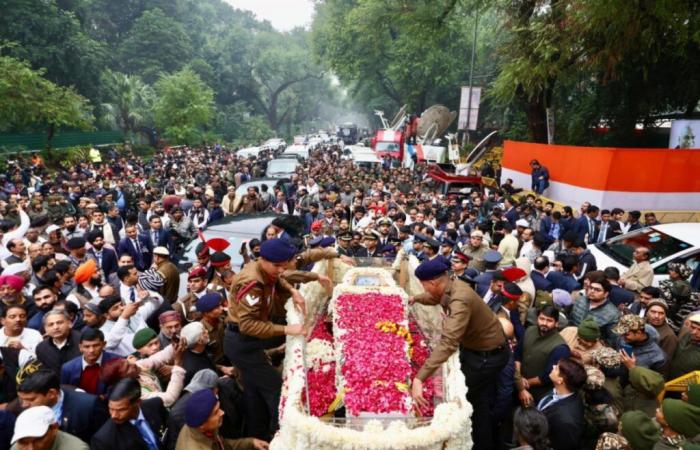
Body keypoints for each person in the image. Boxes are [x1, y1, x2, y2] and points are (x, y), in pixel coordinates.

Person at [410, 257, 509, 450]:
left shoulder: (460, 298)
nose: (425, 290)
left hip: (487, 357)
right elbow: (434, 297)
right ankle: (483, 439)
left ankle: (473, 442)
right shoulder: (450, 286)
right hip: (476, 350)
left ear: (432, 282)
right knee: (477, 400)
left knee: (464, 400)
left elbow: (448, 342)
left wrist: (419, 378)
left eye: (423, 286)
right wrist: (415, 298)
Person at [224, 238, 310, 440]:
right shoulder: (251, 282)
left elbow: (276, 277)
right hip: (242, 342)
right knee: (274, 388)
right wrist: (288, 329)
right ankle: (280, 435)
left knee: (254, 390)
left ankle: (258, 434)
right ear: (263, 259)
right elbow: (248, 325)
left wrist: (292, 290)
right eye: (277, 265)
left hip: (245, 340)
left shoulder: (264, 268)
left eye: (284, 265)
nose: (281, 270)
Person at [16, 369, 109, 443]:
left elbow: (103, 441)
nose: (24, 405)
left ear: (52, 393)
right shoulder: (26, 407)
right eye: (21, 399)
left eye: (31, 400)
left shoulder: (88, 406)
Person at [175, 388, 268, 450]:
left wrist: (251, 442)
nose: (222, 413)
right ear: (202, 425)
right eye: (216, 413)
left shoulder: (195, 425)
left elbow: (223, 444)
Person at [91, 378, 169, 450]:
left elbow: (171, 435)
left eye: (121, 410)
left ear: (138, 402)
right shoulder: (104, 440)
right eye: (111, 409)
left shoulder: (155, 405)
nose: (114, 415)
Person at [516, 306, 572, 405]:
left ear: (556, 323)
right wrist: (518, 378)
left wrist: (525, 383)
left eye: (549, 320)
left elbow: (548, 376)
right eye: (541, 319)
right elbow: (517, 355)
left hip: (537, 391)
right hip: (518, 380)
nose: (544, 323)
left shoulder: (560, 347)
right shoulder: (529, 330)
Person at [537, 358, 586, 450]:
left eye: (557, 368)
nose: (553, 367)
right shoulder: (559, 390)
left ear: (560, 381)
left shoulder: (566, 423)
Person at [60, 327, 120, 396]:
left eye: (96, 345)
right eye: (86, 346)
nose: (91, 350)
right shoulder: (68, 368)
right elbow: (65, 391)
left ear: (104, 344)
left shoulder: (117, 362)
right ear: (80, 347)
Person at [10, 405, 89, 450]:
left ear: (54, 428)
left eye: (38, 440)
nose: (31, 448)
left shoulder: (77, 448)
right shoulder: (16, 448)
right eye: (23, 442)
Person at [35, 309, 81, 377]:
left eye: (59, 323)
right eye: (51, 324)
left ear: (70, 324)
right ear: (45, 329)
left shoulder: (82, 341)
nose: (56, 327)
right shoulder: (41, 348)